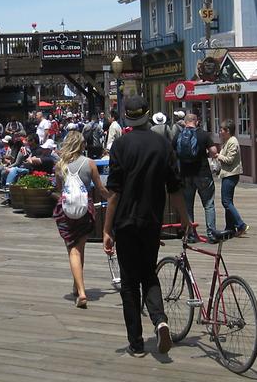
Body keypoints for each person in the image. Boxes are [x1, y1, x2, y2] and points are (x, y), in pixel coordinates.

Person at [102, 95, 191, 358]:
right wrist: (184, 219)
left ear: (127, 117)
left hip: (126, 223)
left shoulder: (120, 146)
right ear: (148, 114)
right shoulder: (162, 145)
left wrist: (107, 229)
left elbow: (114, 193)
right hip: (152, 220)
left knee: (130, 282)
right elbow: (175, 188)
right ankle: (160, 320)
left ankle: (137, 343)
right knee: (149, 274)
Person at [52, 131, 110, 309]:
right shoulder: (89, 163)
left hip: (66, 212)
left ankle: (81, 291)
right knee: (80, 249)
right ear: (82, 145)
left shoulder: (59, 166)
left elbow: (60, 193)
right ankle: (78, 286)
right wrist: (114, 201)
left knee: (73, 250)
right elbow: (100, 189)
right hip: (85, 210)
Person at [174, 113, 219, 241]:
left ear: (185, 122)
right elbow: (214, 151)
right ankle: (211, 234)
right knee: (209, 204)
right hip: (203, 174)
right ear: (196, 121)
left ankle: (191, 234)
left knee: (188, 205)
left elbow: (172, 151)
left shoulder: (179, 135)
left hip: (186, 175)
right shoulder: (203, 134)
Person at [215, 120, 249, 237]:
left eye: (221, 130)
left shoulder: (233, 142)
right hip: (227, 174)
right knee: (228, 201)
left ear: (228, 131)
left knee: (226, 201)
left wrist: (218, 156)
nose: (220, 132)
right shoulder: (227, 141)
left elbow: (229, 160)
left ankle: (240, 225)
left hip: (231, 175)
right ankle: (230, 227)